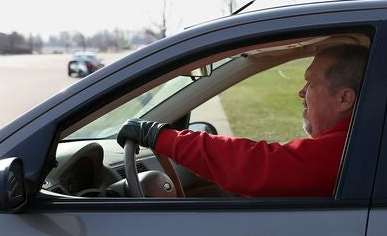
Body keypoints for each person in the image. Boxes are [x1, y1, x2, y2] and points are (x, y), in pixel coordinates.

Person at [117, 44, 368, 197]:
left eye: (311, 83)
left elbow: (256, 166)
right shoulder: (363, 138)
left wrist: (160, 137)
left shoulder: (349, 150)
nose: (301, 93)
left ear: (344, 98)